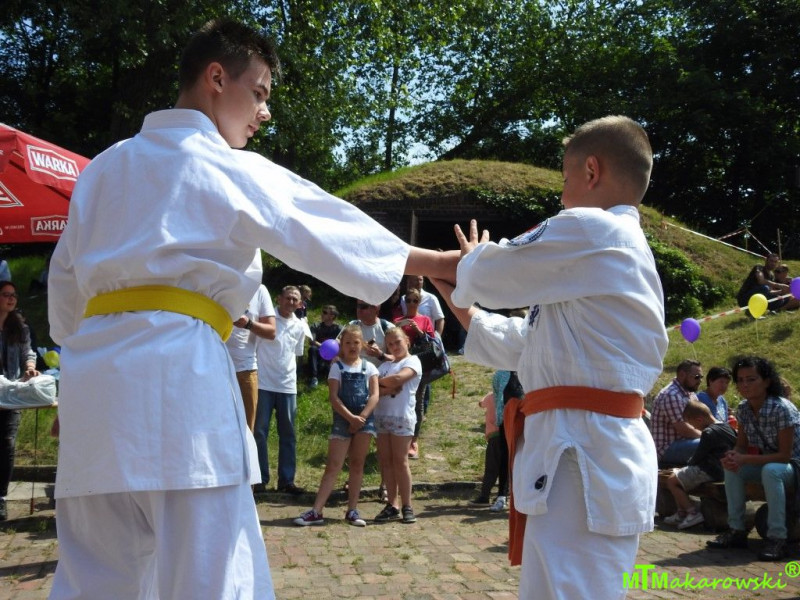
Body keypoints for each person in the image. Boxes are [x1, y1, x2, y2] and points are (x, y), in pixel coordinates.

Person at [46, 18, 454, 599]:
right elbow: (322, 228)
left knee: (95, 580)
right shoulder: (224, 164)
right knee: (211, 579)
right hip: (179, 386)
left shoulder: (103, 169)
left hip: (94, 390)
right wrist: (439, 262)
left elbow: (64, 293)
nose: (264, 113)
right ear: (217, 78)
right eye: (258, 93)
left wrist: (78, 371)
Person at [430, 116, 669, 600]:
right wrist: (463, 301)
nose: (561, 193)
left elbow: (497, 274)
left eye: (564, 178)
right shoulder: (604, 257)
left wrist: (472, 260)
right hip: (583, 446)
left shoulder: (595, 228)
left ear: (591, 170)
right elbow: (530, 343)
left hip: (583, 450)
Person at [707, 356, 800, 561]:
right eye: (740, 380)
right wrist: (733, 456)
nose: (745, 385)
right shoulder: (743, 408)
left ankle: (777, 539)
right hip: (771, 463)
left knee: (771, 471)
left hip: (793, 465)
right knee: (732, 468)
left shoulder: (781, 408)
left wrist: (745, 458)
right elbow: (741, 445)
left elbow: (785, 456)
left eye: (751, 379)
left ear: (766, 382)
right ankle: (737, 530)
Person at [293, 325, 379, 527]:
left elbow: (375, 395)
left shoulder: (370, 368)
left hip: (365, 420)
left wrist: (361, 418)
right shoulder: (336, 367)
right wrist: (350, 418)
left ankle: (352, 510)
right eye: (347, 343)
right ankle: (317, 510)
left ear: (362, 344)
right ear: (341, 346)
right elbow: (333, 397)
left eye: (356, 342)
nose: (352, 346)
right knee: (333, 465)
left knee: (357, 464)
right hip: (342, 419)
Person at [254, 286, 310, 494]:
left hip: (287, 385)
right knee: (259, 431)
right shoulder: (266, 320)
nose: (291, 302)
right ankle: (260, 479)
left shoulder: (300, 326)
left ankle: (286, 481)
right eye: (288, 298)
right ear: (279, 299)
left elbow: (297, 354)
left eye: (295, 299)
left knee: (288, 433)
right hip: (263, 382)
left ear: (300, 303)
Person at [662, 400, 735, 530]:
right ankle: (681, 512)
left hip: (709, 470)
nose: (695, 428)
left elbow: (698, 456)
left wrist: (686, 466)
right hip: (723, 470)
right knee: (679, 476)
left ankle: (692, 512)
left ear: (699, 419)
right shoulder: (727, 427)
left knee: (672, 481)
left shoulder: (708, 432)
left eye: (693, 424)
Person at [373, 328, 422, 524]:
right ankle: (392, 504)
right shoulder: (385, 365)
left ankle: (407, 505)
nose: (394, 346)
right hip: (381, 416)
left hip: (401, 417)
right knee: (386, 462)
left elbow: (399, 379)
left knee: (400, 462)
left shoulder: (412, 361)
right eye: (390, 344)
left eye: (397, 342)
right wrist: (387, 387)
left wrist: (381, 385)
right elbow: (374, 387)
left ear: (407, 341)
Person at [0, 280, 39, 521]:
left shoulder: (20, 327)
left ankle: (1, 498)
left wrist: (30, 367)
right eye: (6, 295)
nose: (11, 299)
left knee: (7, 443)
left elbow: (28, 353)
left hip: (11, 393)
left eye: (13, 295)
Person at [224, 283, 276, 431]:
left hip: (245, 370)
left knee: (246, 431)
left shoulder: (259, 289)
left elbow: (272, 331)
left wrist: (248, 324)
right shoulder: (219, 280)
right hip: (214, 366)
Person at [472, 369, 523, 512]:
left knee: (499, 464)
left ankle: (493, 495)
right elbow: (498, 397)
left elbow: (487, 401)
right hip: (506, 423)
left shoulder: (523, 371)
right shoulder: (501, 374)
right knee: (506, 461)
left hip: (509, 425)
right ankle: (502, 496)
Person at [650, 360, 704, 465]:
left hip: (683, 442)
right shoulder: (671, 395)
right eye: (697, 377)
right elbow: (684, 430)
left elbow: (700, 421)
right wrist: (709, 437)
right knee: (708, 444)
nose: (700, 381)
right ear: (682, 374)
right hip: (666, 449)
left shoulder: (690, 394)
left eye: (701, 377)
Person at [307, 304, 342, 387]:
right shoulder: (316, 326)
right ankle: (314, 377)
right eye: (323, 312)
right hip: (319, 352)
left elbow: (344, 344)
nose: (322, 314)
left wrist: (340, 342)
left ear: (332, 316)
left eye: (325, 312)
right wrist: (324, 347)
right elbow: (312, 341)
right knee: (312, 349)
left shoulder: (338, 328)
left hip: (332, 355)